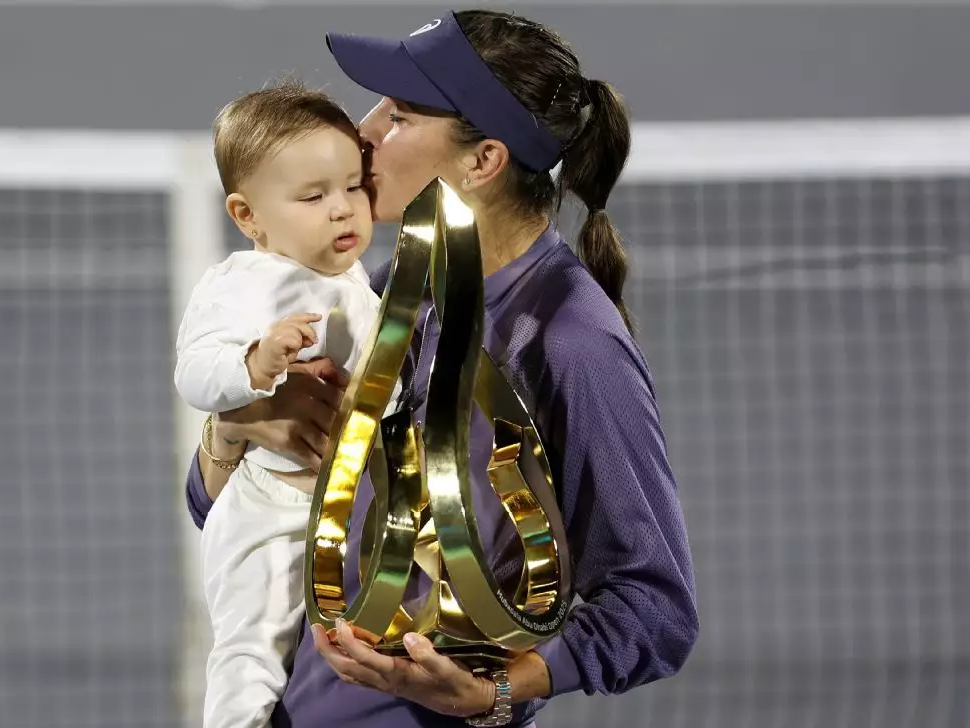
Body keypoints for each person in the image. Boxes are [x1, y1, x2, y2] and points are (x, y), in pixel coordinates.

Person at [187, 10, 699, 727]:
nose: (362, 131)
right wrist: (235, 433)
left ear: (482, 162)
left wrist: (495, 692)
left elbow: (655, 611)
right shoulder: (392, 284)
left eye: (398, 115)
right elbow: (225, 514)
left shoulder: (570, 338)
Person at [174, 82, 397, 728]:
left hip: (346, 513)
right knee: (253, 645)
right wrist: (255, 365)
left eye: (353, 186)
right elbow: (195, 371)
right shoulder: (241, 284)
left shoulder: (355, 281)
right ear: (247, 217)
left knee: (312, 656)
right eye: (313, 196)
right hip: (272, 508)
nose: (342, 210)